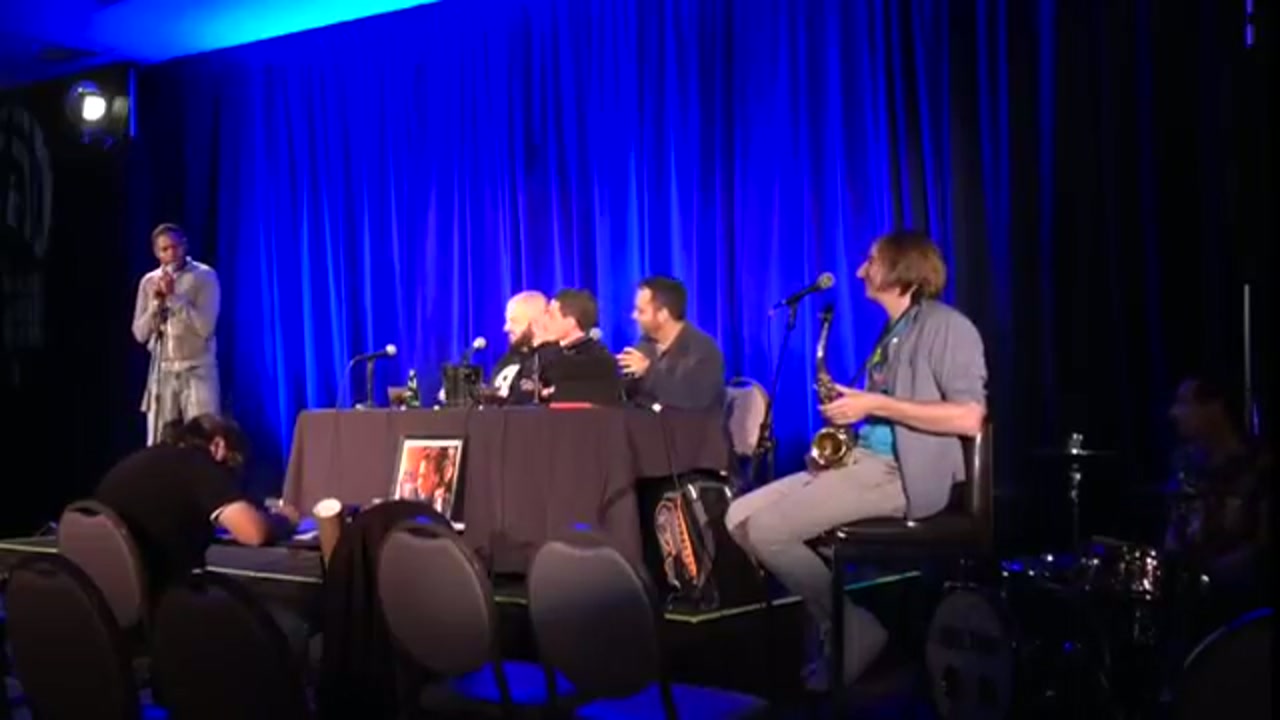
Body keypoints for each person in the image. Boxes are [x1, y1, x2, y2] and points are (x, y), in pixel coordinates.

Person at [724, 230, 987, 690]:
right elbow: (883, 412)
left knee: (767, 530)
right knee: (737, 516)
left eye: (872, 261)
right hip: (864, 461)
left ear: (902, 269)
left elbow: (969, 416)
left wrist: (875, 405)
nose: (861, 270)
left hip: (902, 474)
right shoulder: (892, 332)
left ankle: (849, 629)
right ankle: (839, 626)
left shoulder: (948, 326)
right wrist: (850, 418)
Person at [93, 414, 299, 601]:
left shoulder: (147, 460)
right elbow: (253, 533)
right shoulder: (199, 463)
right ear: (218, 446)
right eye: (234, 466)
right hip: (155, 599)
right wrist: (285, 520)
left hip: (102, 602)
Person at [1164, 376, 1269, 609]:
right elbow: (1175, 536)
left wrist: (1209, 574)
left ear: (1215, 407)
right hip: (1190, 603)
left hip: (1245, 604)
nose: (1173, 413)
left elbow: (1264, 548)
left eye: (1183, 403)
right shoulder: (1184, 465)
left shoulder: (1260, 466)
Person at [132, 223, 222, 445]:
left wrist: (174, 299)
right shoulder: (149, 282)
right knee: (159, 440)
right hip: (162, 371)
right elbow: (140, 333)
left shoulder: (204, 277)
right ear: (156, 253)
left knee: (203, 438)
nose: (172, 253)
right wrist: (156, 305)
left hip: (198, 369)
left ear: (185, 246)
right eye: (165, 249)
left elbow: (206, 327)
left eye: (176, 247)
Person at [618, 275, 726, 411]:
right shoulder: (646, 344)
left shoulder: (703, 350)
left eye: (641, 311)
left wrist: (648, 371)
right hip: (645, 421)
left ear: (663, 314)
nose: (634, 316)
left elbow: (693, 398)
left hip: (690, 423)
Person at [532, 288, 623, 405]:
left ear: (571, 322)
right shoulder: (547, 351)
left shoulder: (597, 359)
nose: (544, 321)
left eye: (551, 316)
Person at [490, 290, 549, 402]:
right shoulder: (506, 360)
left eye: (514, 321)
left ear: (537, 323)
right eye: (507, 321)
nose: (506, 328)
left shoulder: (552, 362)